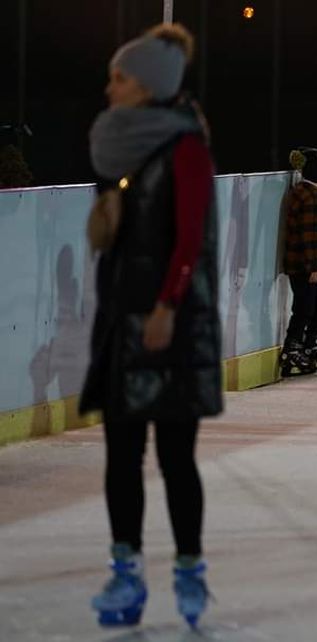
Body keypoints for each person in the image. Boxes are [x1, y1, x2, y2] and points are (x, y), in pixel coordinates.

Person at [81, 23, 219, 628]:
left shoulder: (185, 146)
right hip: (121, 316)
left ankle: (190, 570)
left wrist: (166, 308)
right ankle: (124, 571)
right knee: (120, 454)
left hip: (172, 321)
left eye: (120, 77)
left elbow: (189, 237)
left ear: (149, 84)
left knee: (174, 455)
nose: (108, 87)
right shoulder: (118, 145)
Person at [279, 147, 317, 377]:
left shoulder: (306, 192)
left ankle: (311, 344)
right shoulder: (310, 197)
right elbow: (309, 234)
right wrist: (314, 266)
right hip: (306, 266)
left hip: (307, 264)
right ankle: (292, 348)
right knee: (305, 307)